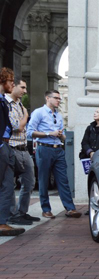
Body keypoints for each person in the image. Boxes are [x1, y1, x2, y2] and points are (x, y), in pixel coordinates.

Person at [27, 90, 81, 219]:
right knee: (43, 179)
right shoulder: (39, 112)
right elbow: (29, 132)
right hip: (44, 148)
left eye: (59, 98)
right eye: (56, 98)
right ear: (47, 98)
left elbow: (62, 136)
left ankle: (70, 208)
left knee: (63, 179)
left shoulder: (59, 115)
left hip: (58, 149)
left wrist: (61, 135)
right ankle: (46, 209)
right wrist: (49, 134)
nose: (59, 100)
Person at [6, 78, 39, 226]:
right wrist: (26, 115)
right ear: (13, 86)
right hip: (11, 148)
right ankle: (11, 215)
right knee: (9, 184)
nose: (25, 91)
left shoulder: (20, 104)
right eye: (22, 87)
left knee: (30, 181)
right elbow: (17, 127)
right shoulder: (7, 104)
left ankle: (22, 212)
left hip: (24, 149)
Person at [0, 67, 24, 236]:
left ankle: (2, 221)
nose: (12, 84)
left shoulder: (2, 100)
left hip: (5, 146)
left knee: (8, 185)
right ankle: (1, 223)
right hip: (2, 146)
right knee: (6, 185)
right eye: (10, 81)